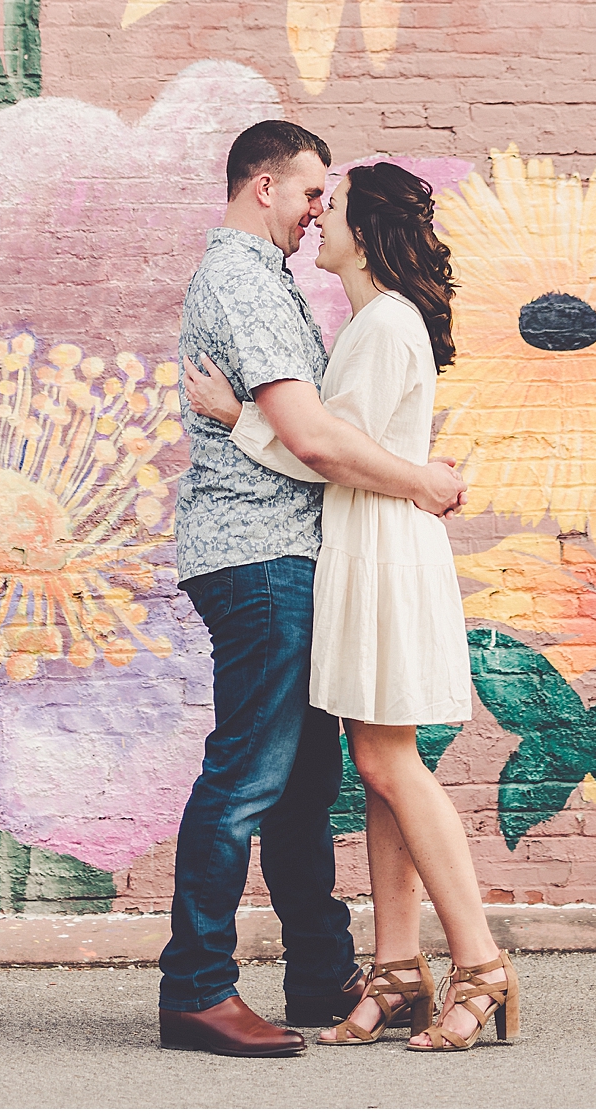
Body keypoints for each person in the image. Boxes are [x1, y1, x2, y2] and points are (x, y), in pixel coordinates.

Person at [184, 161, 520, 1054]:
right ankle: (399, 970)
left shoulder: (381, 324)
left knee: (392, 766)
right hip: (366, 548)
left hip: (378, 549)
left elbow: (330, 450)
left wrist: (235, 420)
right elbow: (343, 448)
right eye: (310, 199)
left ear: (365, 233)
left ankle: (480, 964)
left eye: (330, 210)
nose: (315, 223)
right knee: (378, 771)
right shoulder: (375, 321)